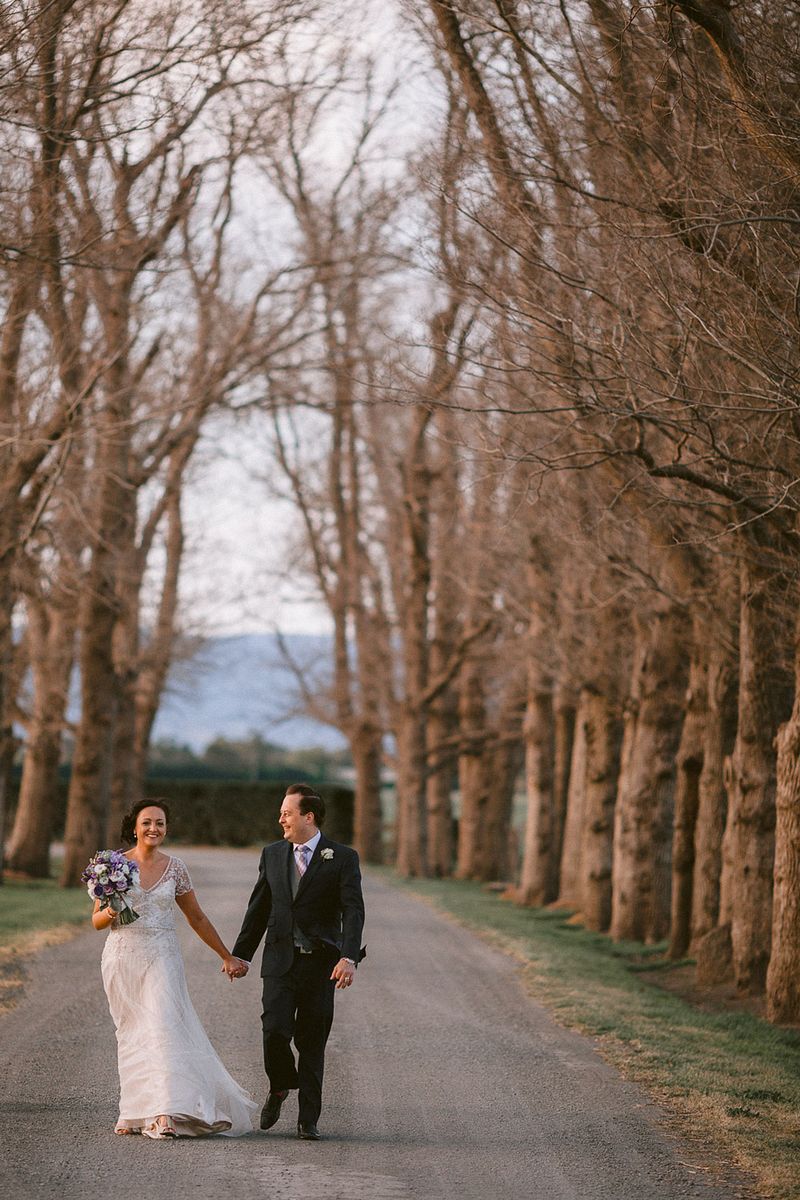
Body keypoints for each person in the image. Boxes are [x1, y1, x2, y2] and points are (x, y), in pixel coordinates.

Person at [93, 799, 257, 1139]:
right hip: (122, 957)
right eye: (147, 822)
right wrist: (112, 909)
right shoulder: (111, 865)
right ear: (134, 827)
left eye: (160, 823)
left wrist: (226, 956)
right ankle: (133, 1110)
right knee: (131, 1031)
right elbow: (96, 920)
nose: (154, 828)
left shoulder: (176, 869)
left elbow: (196, 917)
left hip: (162, 956)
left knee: (163, 1028)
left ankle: (165, 1112)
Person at [231, 783, 365, 1141]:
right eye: (281, 813)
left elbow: (353, 911)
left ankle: (308, 1119)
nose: (281, 819)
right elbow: (259, 908)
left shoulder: (343, 857)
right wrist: (240, 955)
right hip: (279, 961)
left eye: (287, 813)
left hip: (321, 966)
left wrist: (348, 957)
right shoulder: (272, 854)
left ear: (309, 817)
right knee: (274, 1030)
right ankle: (279, 1085)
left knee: (312, 1041)